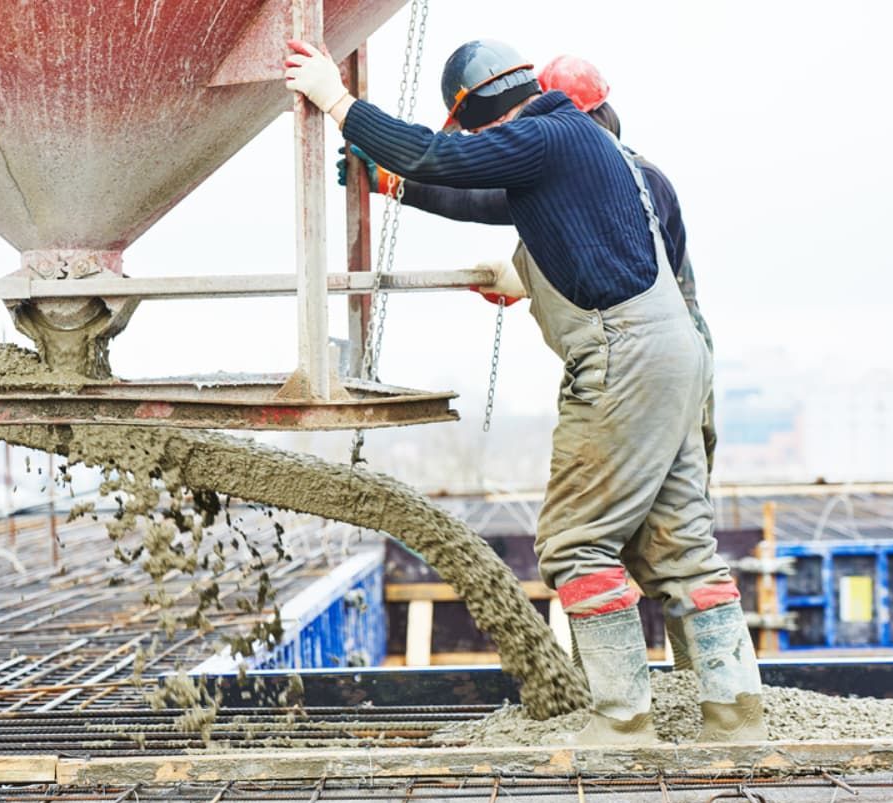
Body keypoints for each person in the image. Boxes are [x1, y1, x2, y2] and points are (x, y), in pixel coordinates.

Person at [285, 38, 766, 744]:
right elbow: (484, 197)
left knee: (577, 543)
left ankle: (623, 721)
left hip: (624, 360)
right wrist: (396, 186)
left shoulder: (542, 137)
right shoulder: (591, 149)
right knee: (680, 546)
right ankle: (734, 714)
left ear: (475, 111)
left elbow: (440, 157)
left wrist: (338, 101)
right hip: (677, 359)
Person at [339, 54, 718, 482]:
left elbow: (614, 274)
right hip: (656, 362)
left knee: (599, 522)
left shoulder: (635, 177)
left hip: (654, 366)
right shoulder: (587, 170)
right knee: (666, 525)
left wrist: (526, 282)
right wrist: (396, 184)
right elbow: (482, 199)